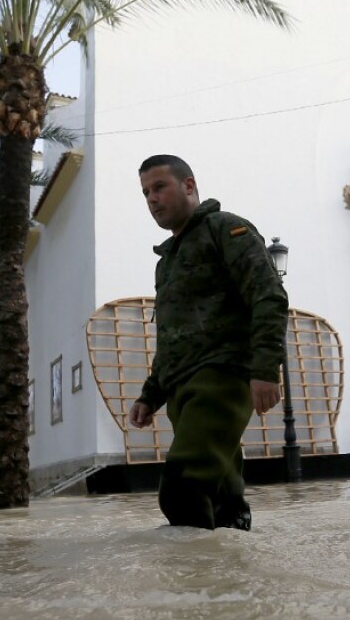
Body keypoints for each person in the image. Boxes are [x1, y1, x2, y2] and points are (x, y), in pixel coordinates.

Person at [128, 154, 289, 531]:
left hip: (221, 378)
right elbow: (172, 337)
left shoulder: (226, 229)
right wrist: (150, 395)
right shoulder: (166, 262)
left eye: (159, 187)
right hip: (184, 390)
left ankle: (192, 587)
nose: (152, 198)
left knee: (181, 491)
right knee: (222, 497)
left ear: (188, 185)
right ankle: (237, 579)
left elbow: (268, 296)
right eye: (145, 192)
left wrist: (265, 368)